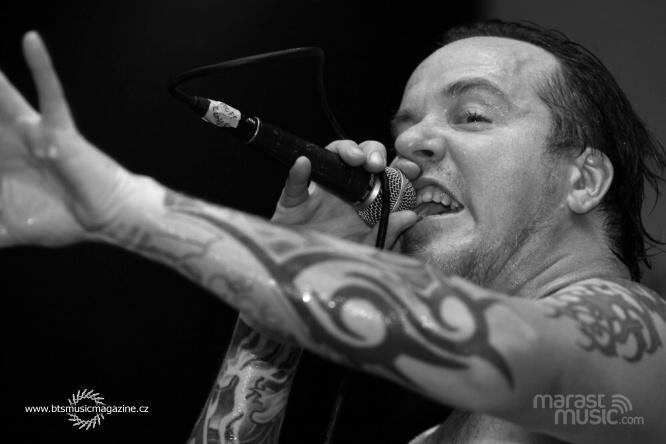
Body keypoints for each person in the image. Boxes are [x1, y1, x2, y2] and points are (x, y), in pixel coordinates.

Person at [1, 19, 665, 443]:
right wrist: (286, 294)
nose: (413, 143)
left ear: (584, 179)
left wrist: (131, 207)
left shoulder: (639, 343)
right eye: (406, 126)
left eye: (472, 116)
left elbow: (510, 350)